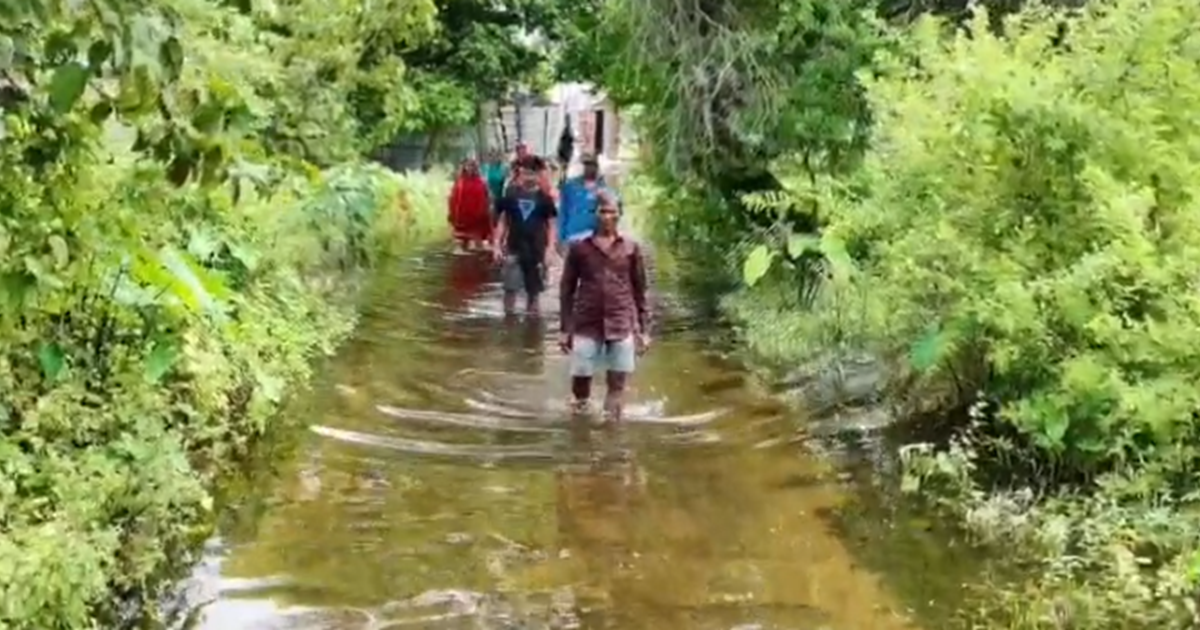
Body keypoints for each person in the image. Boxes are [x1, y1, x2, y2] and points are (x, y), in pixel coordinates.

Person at [558, 191, 650, 421]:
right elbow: (566, 289)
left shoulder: (631, 248)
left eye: (612, 212)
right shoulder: (580, 248)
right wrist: (565, 329)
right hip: (586, 324)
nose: (607, 217)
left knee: (617, 386)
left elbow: (640, 290)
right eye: (603, 211)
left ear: (619, 215)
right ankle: (581, 430)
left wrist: (644, 330)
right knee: (580, 385)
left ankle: (612, 436)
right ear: (595, 214)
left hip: (620, 323)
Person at [492, 156, 559, 315]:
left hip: (536, 252)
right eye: (526, 172)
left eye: (533, 173)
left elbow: (551, 226)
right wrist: (496, 245)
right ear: (520, 172)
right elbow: (503, 222)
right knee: (509, 291)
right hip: (514, 249)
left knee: (534, 295)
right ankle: (508, 327)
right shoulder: (511, 194)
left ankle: (533, 331)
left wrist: (550, 249)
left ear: (538, 175)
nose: (529, 176)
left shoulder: (545, 198)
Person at [556, 154, 609, 251]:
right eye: (587, 164)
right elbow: (563, 211)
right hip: (573, 234)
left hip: (594, 236)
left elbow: (611, 212)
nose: (590, 168)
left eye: (593, 165)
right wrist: (560, 237)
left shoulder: (603, 188)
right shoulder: (571, 186)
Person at [447, 158, 492, 251]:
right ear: (464, 167)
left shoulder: (481, 182)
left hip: (477, 218)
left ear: (475, 168)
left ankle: (479, 261)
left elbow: (486, 198)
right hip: (462, 218)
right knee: (461, 243)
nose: (470, 168)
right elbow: (453, 198)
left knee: (478, 243)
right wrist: (452, 213)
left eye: (472, 166)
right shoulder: (460, 182)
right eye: (468, 166)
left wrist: (485, 212)